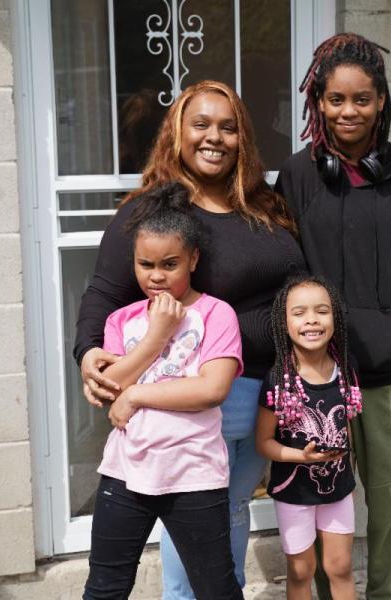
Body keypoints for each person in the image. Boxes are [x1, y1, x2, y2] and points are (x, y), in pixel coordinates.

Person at [73, 80, 305, 599]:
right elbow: (104, 293)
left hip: (265, 393)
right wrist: (90, 352)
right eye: (200, 125)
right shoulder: (152, 215)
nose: (214, 137)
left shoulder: (262, 202)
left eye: (227, 127)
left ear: (242, 137)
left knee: (233, 508)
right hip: (198, 397)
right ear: (177, 133)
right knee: (194, 515)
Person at [274, 33, 391, 600]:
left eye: (362, 99)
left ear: (381, 103)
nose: (348, 111)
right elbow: (286, 265)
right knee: (325, 493)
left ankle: (387, 594)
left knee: (390, 493)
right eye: (335, 99)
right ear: (317, 103)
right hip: (321, 373)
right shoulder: (298, 176)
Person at [83, 183, 243, 599]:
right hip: (125, 472)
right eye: (146, 264)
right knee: (105, 588)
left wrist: (136, 396)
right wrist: (157, 336)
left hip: (194, 473)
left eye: (170, 264)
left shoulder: (216, 314)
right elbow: (112, 388)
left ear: (193, 259)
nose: (156, 276)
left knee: (217, 589)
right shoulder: (122, 320)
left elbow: (212, 389)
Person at [255, 274, 362, 600]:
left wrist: (346, 467)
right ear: (283, 321)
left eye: (321, 311)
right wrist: (300, 457)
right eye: (299, 312)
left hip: (338, 488)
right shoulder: (277, 380)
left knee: (340, 567)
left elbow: (348, 425)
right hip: (294, 491)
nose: (311, 320)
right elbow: (264, 442)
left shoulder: (346, 368)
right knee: (301, 571)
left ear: (335, 317)